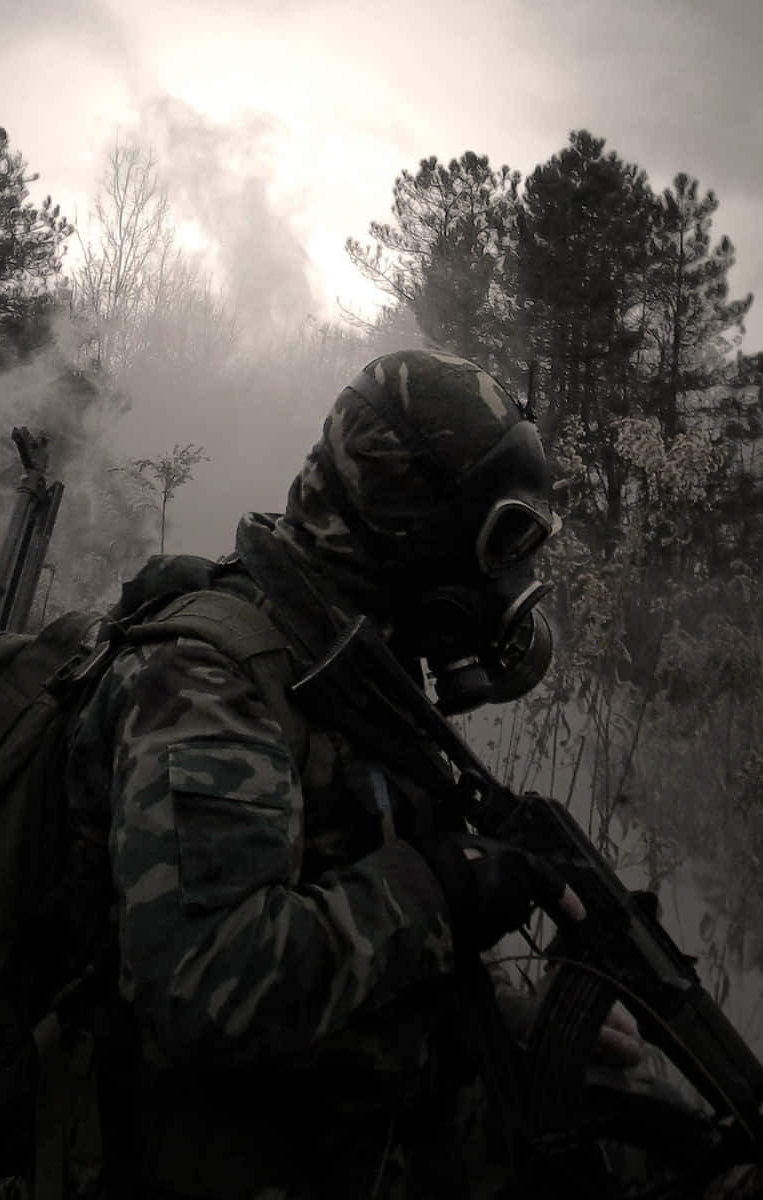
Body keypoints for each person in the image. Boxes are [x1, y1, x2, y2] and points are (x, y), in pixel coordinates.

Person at [62, 349, 650, 1199]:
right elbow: (205, 986)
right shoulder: (208, 679)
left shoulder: (348, 664)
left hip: (336, 1126)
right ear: (404, 519)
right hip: (186, 1151)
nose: (511, 581)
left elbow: (344, 890)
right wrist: (441, 890)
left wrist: (506, 1020)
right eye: (500, 538)